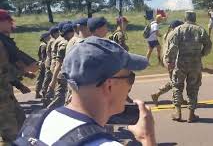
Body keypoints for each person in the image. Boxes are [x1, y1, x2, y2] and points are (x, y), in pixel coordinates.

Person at [17, 36, 156, 146]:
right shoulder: (105, 144)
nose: (130, 86)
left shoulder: (37, 121)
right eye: (130, 78)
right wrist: (147, 138)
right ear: (109, 86)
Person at [165, 11, 212, 123]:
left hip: (180, 62)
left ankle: (178, 112)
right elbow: (208, 45)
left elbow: (172, 47)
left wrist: (169, 60)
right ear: (194, 18)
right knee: (193, 88)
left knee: (177, 86)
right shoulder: (200, 30)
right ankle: (191, 114)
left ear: (185, 18)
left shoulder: (178, 30)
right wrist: (202, 53)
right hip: (195, 63)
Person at [0, 9, 38, 144]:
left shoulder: (3, 41)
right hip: (2, 98)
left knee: (21, 123)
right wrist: (24, 70)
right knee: (10, 133)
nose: (11, 26)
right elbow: (3, 69)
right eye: (9, 22)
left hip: (6, 94)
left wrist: (19, 83)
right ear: (2, 22)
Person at [151, 20, 187, 106]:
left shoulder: (166, 35)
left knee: (175, 80)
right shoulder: (174, 36)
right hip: (171, 60)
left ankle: (179, 98)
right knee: (175, 81)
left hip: (166, 60)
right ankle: (157, 94)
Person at [47, 23, 74, 109]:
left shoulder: (61, 41)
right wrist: (53, 81)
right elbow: (59, 62)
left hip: (59, 71)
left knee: (62, 96)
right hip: (62, 73)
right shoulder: (65, 43)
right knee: (61, 97)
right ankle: (47, 113)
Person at [41, 26, 59, 100]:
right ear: (54, 33)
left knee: (49, 78)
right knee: (48, 79)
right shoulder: (52, 41)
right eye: (58, 32)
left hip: (50, 62)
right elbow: (49, 53)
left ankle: (46, 94)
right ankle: (45, 94)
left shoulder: (52, 40)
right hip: (50, 63)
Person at [35, 32, 50, 98]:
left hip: (41, 62)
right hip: (43, 63)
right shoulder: (44, 45)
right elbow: (43, 56)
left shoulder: (43, 44)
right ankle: (40, 92)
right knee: (43, 78)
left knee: (41, 78)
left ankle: (38, 92)